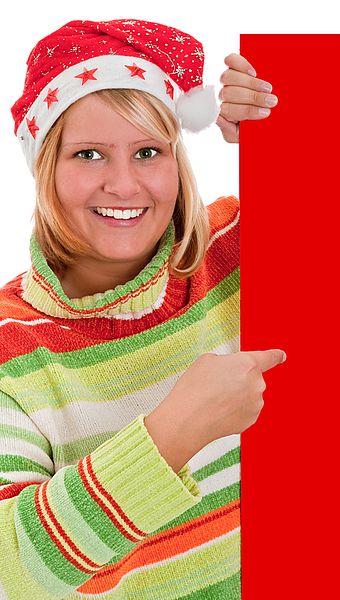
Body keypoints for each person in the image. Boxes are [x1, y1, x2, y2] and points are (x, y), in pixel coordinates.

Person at [0, 18, 285, 599]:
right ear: (45, 168)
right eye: (89, 154)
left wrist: (293, 130)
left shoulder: (238, 248)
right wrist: (170, 435)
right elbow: (11, 570)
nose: (125, 184)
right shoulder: (14, 350)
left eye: (148, 151)